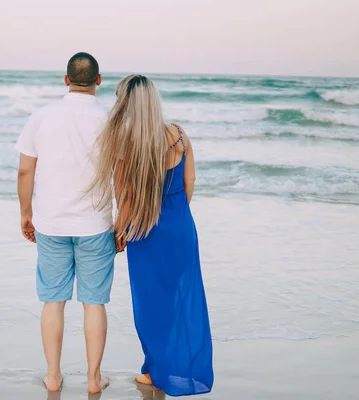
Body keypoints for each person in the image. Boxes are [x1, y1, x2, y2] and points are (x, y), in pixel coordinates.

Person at [89, 74, 214, 396]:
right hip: (181, 227)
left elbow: (125, 196)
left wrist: (121, 231)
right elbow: (190, 182)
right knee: (176, 299)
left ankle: (154, 370)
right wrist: (175, 216)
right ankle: (171, 368)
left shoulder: (123, 141)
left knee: (149, 304)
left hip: (145, 231)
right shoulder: (180, 135)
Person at [15, 52, 115, 394]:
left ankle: (54, 376)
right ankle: (92, 379)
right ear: (99, 80)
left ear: (66, 79)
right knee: (94, 302)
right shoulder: (110, 120)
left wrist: (25, 213)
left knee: (53, 300)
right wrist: (124, 220)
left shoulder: (42, 117)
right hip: (96, 224)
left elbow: (26, 169)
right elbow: (124, 176)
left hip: (51, 223)